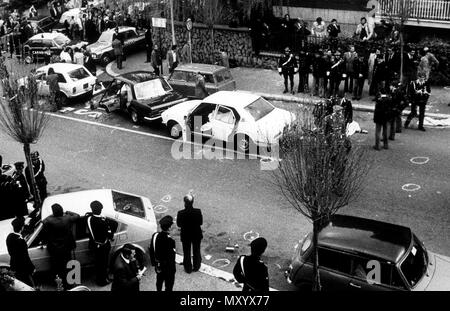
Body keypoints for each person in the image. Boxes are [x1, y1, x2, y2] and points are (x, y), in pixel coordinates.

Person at [42, 203, 80, 289]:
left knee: (57, 267)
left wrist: (51, 215)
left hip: (54, 249)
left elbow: (43, 221)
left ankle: (59, 284)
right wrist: (68, 212)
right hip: (66, 248)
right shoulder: (67, 218)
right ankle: (69, 284)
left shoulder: (49, 221)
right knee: (68, 266)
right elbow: (77, 215)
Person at [86, 200, 114, 286]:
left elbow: (89, 215)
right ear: (101, 210)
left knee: (98, 264)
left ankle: (101, 278)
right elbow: (109, 235)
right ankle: (102, 281)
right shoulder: (103, 222)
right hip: (103, 246)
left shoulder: (89, 218)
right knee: (103, 264)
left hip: (94, 245)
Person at [177, 194, 203, 273]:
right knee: (196, 251)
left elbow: (179, 224)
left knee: (186, 252)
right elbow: (200, 222)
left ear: (185, 202)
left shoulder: (181, 213)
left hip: (186, 235)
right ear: (192, 202)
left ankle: (188, 268)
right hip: (196, 234)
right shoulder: (198, 211)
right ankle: (196, 266)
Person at [149, 215, 176, 291]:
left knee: (159, 283)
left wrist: (155, 264)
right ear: (169, 228)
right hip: (168, 269)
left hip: (159, 266)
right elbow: (171, 258)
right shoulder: (170, 241)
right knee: (169, 286)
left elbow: (151, 250)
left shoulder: (155, 235)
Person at [6, 216, 35, 287]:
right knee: (29, 285)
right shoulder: (21, 241)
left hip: (14, 265)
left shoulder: (9, 237)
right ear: (22, 228)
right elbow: (25, 257)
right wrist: (32, 268)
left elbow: (11, 252)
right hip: (23, 268)